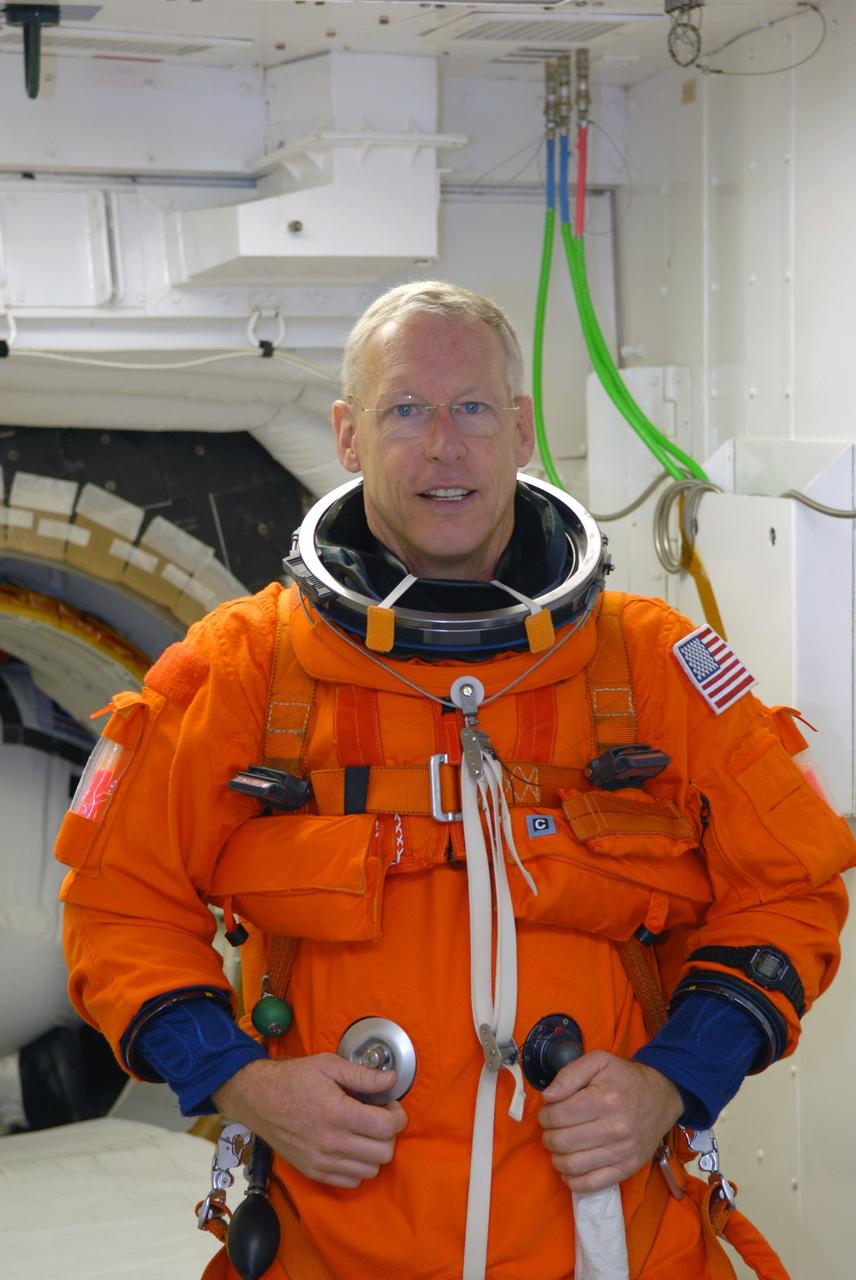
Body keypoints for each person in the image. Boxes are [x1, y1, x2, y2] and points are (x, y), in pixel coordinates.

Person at [56, 281, 855, 1280]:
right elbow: (116, 901)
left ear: (520, 430)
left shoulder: (649, 666)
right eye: (405, 409)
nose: (444, 445)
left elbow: (789, 887)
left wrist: (669, 1081)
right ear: (348, 434)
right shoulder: (244, 671)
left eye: (472, 407)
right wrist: (243, 1084)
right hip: (334, 1242)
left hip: (608, 1235)